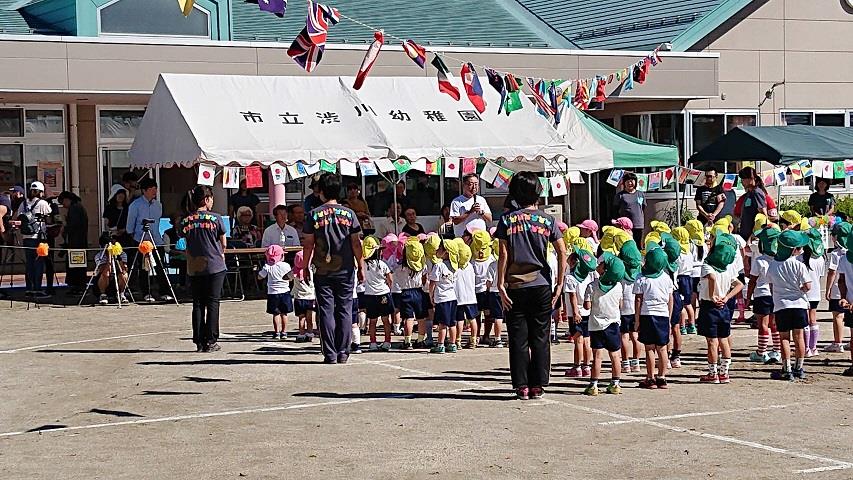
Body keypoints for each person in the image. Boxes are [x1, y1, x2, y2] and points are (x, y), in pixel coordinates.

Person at [496, 171, 567, 401]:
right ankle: (538, 385)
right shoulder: (547, 219)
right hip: (542, 285)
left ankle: (522, 386)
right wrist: (559, 284)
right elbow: (562, 252)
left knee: (518, 338)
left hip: (515, 286)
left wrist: (500, 284)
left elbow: (503, 253)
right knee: (540, 336)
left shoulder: (507, 219)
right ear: (537, 192)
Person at [302, 173, 364, 364]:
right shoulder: (349, 214)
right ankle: (343, 352)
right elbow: (356, 243)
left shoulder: (313, 214)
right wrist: (360, 266)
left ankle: (329, 353)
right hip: (346, 269)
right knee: (345, 310)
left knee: (326, 311)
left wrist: (304, 266)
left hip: (322, 269)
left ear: (321, 192)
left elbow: (308, 244)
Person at [180, 185, 227, 353]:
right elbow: (223, 243)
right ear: (207, 199)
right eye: (212, 199)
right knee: (213, 302)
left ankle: (199, 341)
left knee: (198, 303)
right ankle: (211, 339)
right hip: (214, 265)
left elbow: (184, 240)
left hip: (194, 266)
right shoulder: (216, 218)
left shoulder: (186, 220)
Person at [696, 230, 743, 384]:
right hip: (723, 306)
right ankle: (724, 373)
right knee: (724, 339)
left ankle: (713, 373)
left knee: (712, 341)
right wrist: (727, 296)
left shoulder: (708, 265)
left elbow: (711, 277)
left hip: (710, 306)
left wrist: (713, 294)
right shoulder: (728, 268)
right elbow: (739, 284)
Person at [767, 230, 811, 381]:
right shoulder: (799, 265)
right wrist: (801, 290)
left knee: (784, 338)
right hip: (799, 304)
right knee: (799, 337)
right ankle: (799, 367)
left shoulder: (773, 265)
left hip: (781, 305)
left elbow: (771, 284)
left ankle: (787, 369)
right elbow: (808, 285)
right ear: (793, 250)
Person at [584, 253, 626, 396]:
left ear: (605, 269)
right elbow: (621, 304)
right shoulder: (619, 287)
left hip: (596, 324)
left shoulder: (592, 286)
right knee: (615, 355)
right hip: (613, 323)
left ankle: (594, 385)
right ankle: (615, 383)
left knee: (597, 355)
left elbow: (587, 306)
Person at [633, 245, 674, 389]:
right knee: (662, 348)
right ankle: (662, 377)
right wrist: (668, 319)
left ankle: (650, 378)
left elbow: (638, 300)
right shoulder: (666, 278)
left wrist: (637, 320)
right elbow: (670, 299)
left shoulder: (641, 277)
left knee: (649, 348)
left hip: (647, 314)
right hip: (662, 314)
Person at [127, 177, 173, 302]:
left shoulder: (158, 205)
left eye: (155, 189)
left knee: (160, 266)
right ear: (144, 190)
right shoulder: (135, 205)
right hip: (141, 239)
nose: (154, 192)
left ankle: (164, 291)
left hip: (156, 240)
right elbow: (130, 225)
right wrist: (134, 237)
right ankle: (146, 292)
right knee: (144, 268)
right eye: (152, 189)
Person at [16, 181, 53, 297]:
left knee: (29, 263)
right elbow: (50, 219)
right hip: (38, 238)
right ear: (41, 192)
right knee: (39, 263)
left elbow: (18, 218)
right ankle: (37, 289)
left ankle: (29, 289)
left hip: (26, 237)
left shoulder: (23, 204)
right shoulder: (43, 203)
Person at [564, 246, 596, 378]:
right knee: (587, 340)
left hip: (576, 313)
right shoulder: (588, 276)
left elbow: (573, 297)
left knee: (578, 340)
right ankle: (587, 366)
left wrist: (576, 312)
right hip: (587, 312)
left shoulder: (571, 278)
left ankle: (577, 367)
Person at [360, 236, 394, 352]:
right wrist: (389, 288)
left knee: (372, 321)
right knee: (386, 319)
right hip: (383, 293)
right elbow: (390, 279)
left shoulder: (364, 265)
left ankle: (373, 342)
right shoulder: (382, 264)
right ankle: (387, 341)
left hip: (370, 294)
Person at [429, 238, 460, 353]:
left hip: (442, 298)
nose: (437, 249)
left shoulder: (439, 266)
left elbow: (432, 282)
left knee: (442, 324)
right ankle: (452, 344)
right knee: (452, 323)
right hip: (452, 297)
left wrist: (431, 295)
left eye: (440, 248)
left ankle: (440, 344)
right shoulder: (454, 266)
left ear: (446, 251)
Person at [396, 238, 427, 350]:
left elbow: (398, 280)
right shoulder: (422, 266)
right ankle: (421, 340)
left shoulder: (401, 267)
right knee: (421, 318)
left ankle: (407, 341)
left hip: (406, 292)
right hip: (419, 292)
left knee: (408, 318)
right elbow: (424, 278)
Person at [825, 222, 851, 353]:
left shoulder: (836, 254)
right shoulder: (849, 251)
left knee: (837, 316)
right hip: (850, 291)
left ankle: (838, 342)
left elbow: (832, 272)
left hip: (838, 290)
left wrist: (828, 288)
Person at [799, 228, 826, 357]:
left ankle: (806, 348)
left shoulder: (801, 258)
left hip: (804, 292)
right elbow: (820, 276)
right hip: (816, 292)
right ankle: (813, 347)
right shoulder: (821, 258)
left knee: (805, 320)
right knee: (813, 318)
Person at [258, 244, 293, 340]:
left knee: (276, 314)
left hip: (272, 293)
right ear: (281, 256)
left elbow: (260, 276)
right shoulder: (286, 265)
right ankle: (284, 332)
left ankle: (277, 332)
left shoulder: (267, 266)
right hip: (285, 292)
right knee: (284, 314)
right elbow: (290, 278)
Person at [58, 191, 89, 293]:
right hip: (80, 241)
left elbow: (73, 226)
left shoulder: (75, 208)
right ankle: (78, 285)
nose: (64, 206)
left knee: (76, 265)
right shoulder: (79, 207)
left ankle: (77, 286)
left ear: (67, 199)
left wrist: (65, 226)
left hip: (76, 242)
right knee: (78, 264)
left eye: (63, 203)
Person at [453, 238, 479, 349]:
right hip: (471, 296)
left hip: (458, 297)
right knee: (472, 318)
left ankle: (457, 340)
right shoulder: (470, 266)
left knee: (459, 319)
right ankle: (473, 339)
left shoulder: (454, 267)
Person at [451, 173, 493, 239]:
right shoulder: (456, 201)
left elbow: (490, 219)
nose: (474, 187)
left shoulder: (481, 199)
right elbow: (455, 221)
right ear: (464, 185)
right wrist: (470, 211)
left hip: (481, 238)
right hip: (464, 239)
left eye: (476, 184)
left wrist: (482, 212)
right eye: (471, 184)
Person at [733, 166, 768, 241]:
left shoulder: (756, 193)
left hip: (752, 237)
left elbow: (763, 215)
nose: (742, 182)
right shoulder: (749, 193)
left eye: (743, 179)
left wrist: (754, 234)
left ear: (751, 178)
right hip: (744, 234)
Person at [93, 233, 129, 305]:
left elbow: (124, 269)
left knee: (124, 274)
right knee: (105, 274)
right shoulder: (99, 255)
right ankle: (103, 295)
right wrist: (109, 257)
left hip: (117, 280)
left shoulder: (122, 254)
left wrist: (118, 256)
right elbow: (104, 271)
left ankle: (121, 294)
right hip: (104, 281)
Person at [612, 172, 646, 244]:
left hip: (638, 224)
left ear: (635, 182)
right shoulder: (620, 195)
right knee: (626, 243)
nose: (630, 183)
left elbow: (642, 207)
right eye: (627, 181)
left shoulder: (640, 194)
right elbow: (615, 210)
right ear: (624, 183)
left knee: (637, 245)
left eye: (632, 181)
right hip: (625, 225)